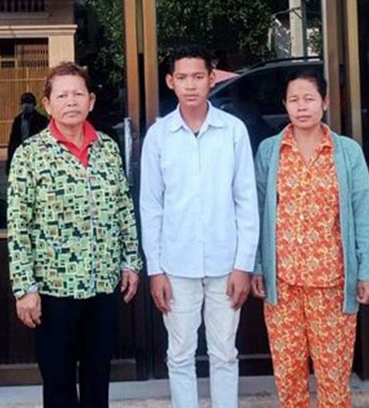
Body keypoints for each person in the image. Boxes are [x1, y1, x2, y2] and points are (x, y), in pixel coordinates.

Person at [7, 62, 142, 408]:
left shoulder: (107, 148)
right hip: (54, 289)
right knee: (59, 385)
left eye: (78, 94)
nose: (71, 101)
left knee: (98, 381)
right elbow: (18, 226)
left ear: (91, 101)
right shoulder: (30, 154)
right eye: (62, 95)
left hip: (102, 284)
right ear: (47, 104)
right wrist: (24, 288)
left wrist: (130, 261)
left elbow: (123, 206)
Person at [140, 44, 259, 408]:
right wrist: (155, 269)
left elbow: (246, 201)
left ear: (211, 79)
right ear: (170, 82)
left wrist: (243, 265)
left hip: (226, 264)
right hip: (176, 266)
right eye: (182, 77)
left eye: (197, 76)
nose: (190, 85)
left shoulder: (232, 131)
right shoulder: (159, 136)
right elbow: (151, 207)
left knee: (225, 353)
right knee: (179, 354)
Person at [251, 68, 369, 408]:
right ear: (284, 104)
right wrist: (258, 266)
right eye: (294, 99)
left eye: (309, 98)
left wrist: (367, 269)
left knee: (334, 379)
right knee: (289, 377)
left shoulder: (347, 152)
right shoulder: (270, 151)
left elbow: (363, 213)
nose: (301, 106)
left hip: (332, 284)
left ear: (325, 102)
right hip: (283, 284)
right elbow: (257, 213)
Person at [5, 92, 49, 175]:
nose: (26, 106)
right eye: (24, 103)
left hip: (36, 154)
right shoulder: (18, 120)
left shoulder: (42, 120)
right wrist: (9, 163)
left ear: (34, 105)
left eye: (29, 103)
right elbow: (13, 141)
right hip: (21, 153)